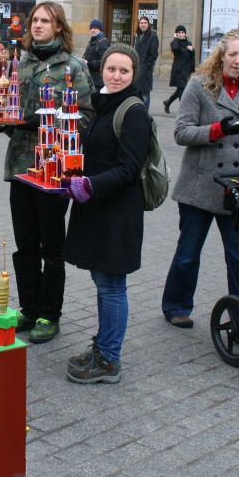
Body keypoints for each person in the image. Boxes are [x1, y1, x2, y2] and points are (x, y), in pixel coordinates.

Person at [162, 29, 239, 328]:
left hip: (236, 186)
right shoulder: (199, 85)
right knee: (188, 252)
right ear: (221, 56)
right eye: (232, 54)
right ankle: (176, 305)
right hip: (199, 185)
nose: (237, 60)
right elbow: (182, 132)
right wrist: (217, 129)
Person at [3, 1, 94, 343]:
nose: (38, 25)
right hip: (20, 165)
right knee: (24, 243)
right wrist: (5, 124)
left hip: (53, 170)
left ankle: (49, 315)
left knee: (51, 247)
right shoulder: (22, 63)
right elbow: (10, 107)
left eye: (46, 21)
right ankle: (29, 309)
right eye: (35, 20)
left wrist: (43, 123)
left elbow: (86, 117)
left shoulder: (72, 66)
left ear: (59, 27)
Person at [64, 44, 151, 383]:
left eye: (124, 71)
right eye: (111, 69)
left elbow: (130, 167)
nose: (116, 76)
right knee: (102, 282)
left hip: (118, 212)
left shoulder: (133, 112)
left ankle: (109, 359)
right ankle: (102, 346)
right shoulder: (104, 103)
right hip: (99, 207)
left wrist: (91, 185)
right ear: (103, 71)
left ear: (133, 75)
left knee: (113, 285)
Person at [163, 25, 195, 114]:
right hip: (178, 70)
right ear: (176, 34)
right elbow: (175, 48)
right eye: (179, 33)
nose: (181, 34)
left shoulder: (189, 43)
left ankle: (168, 102)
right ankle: (183, 111)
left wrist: (192, 50)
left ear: (185, 34)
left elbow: (191, 57)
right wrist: (176, 39)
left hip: (186, 71)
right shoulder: (174, 42)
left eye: (182, 32)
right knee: (183, 89)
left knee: (180, 89)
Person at [133, 16, 159, 111]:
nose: (143, 25)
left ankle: (145, 114)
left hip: (145, 70)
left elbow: (154, 55)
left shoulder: (152, 36)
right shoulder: (137, 36)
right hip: (136, 69)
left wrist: (146, 66)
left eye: (145, 23)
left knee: (145, 95)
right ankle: (139, 113)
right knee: (137, 95)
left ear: (148, 25)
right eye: (141, 23)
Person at [83, 19, 109, 91]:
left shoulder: (102, 42)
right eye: (91, 28)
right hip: (91, 79)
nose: (92, 30)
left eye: (95, 28)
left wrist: (88, 63)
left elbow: (104, 61)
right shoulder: (92, 41)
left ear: (100, 30)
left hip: (98, 81)